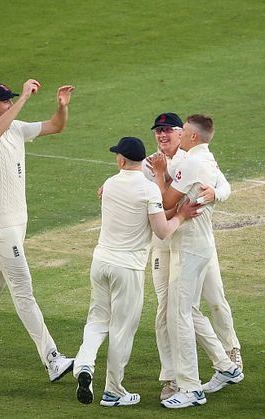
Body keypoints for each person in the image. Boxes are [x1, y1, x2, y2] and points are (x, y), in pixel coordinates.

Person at [0, 80, 75, 382]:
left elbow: (55, 127)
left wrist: (61, 107)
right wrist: (24, 99)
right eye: (6, 101)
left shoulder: (17, 128)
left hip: (17, 223)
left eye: (11, 100)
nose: (10, 104)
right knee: (23, 288)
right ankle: (52, 359)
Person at [73, 137, 200, 407]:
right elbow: (162, 232)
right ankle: (113, 391)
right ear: (141, 162)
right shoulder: (148, 190)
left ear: (120, 160)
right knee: (121, 330)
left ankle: (84, 364)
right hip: (127, 269)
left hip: (100, 263)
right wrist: (182, 215)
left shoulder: (108, 184)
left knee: (97, 321)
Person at [143, 112, 243, 401]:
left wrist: (215, 194)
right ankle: (223, 366)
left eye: (174, 131)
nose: (163, 136)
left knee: (182, 312)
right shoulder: (196, 158)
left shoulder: (192, 161)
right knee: (179, 311)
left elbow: (165, 202)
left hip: (189, 245)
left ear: (187, 135)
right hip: (176, 244)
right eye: (157, 131)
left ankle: (190, 387)